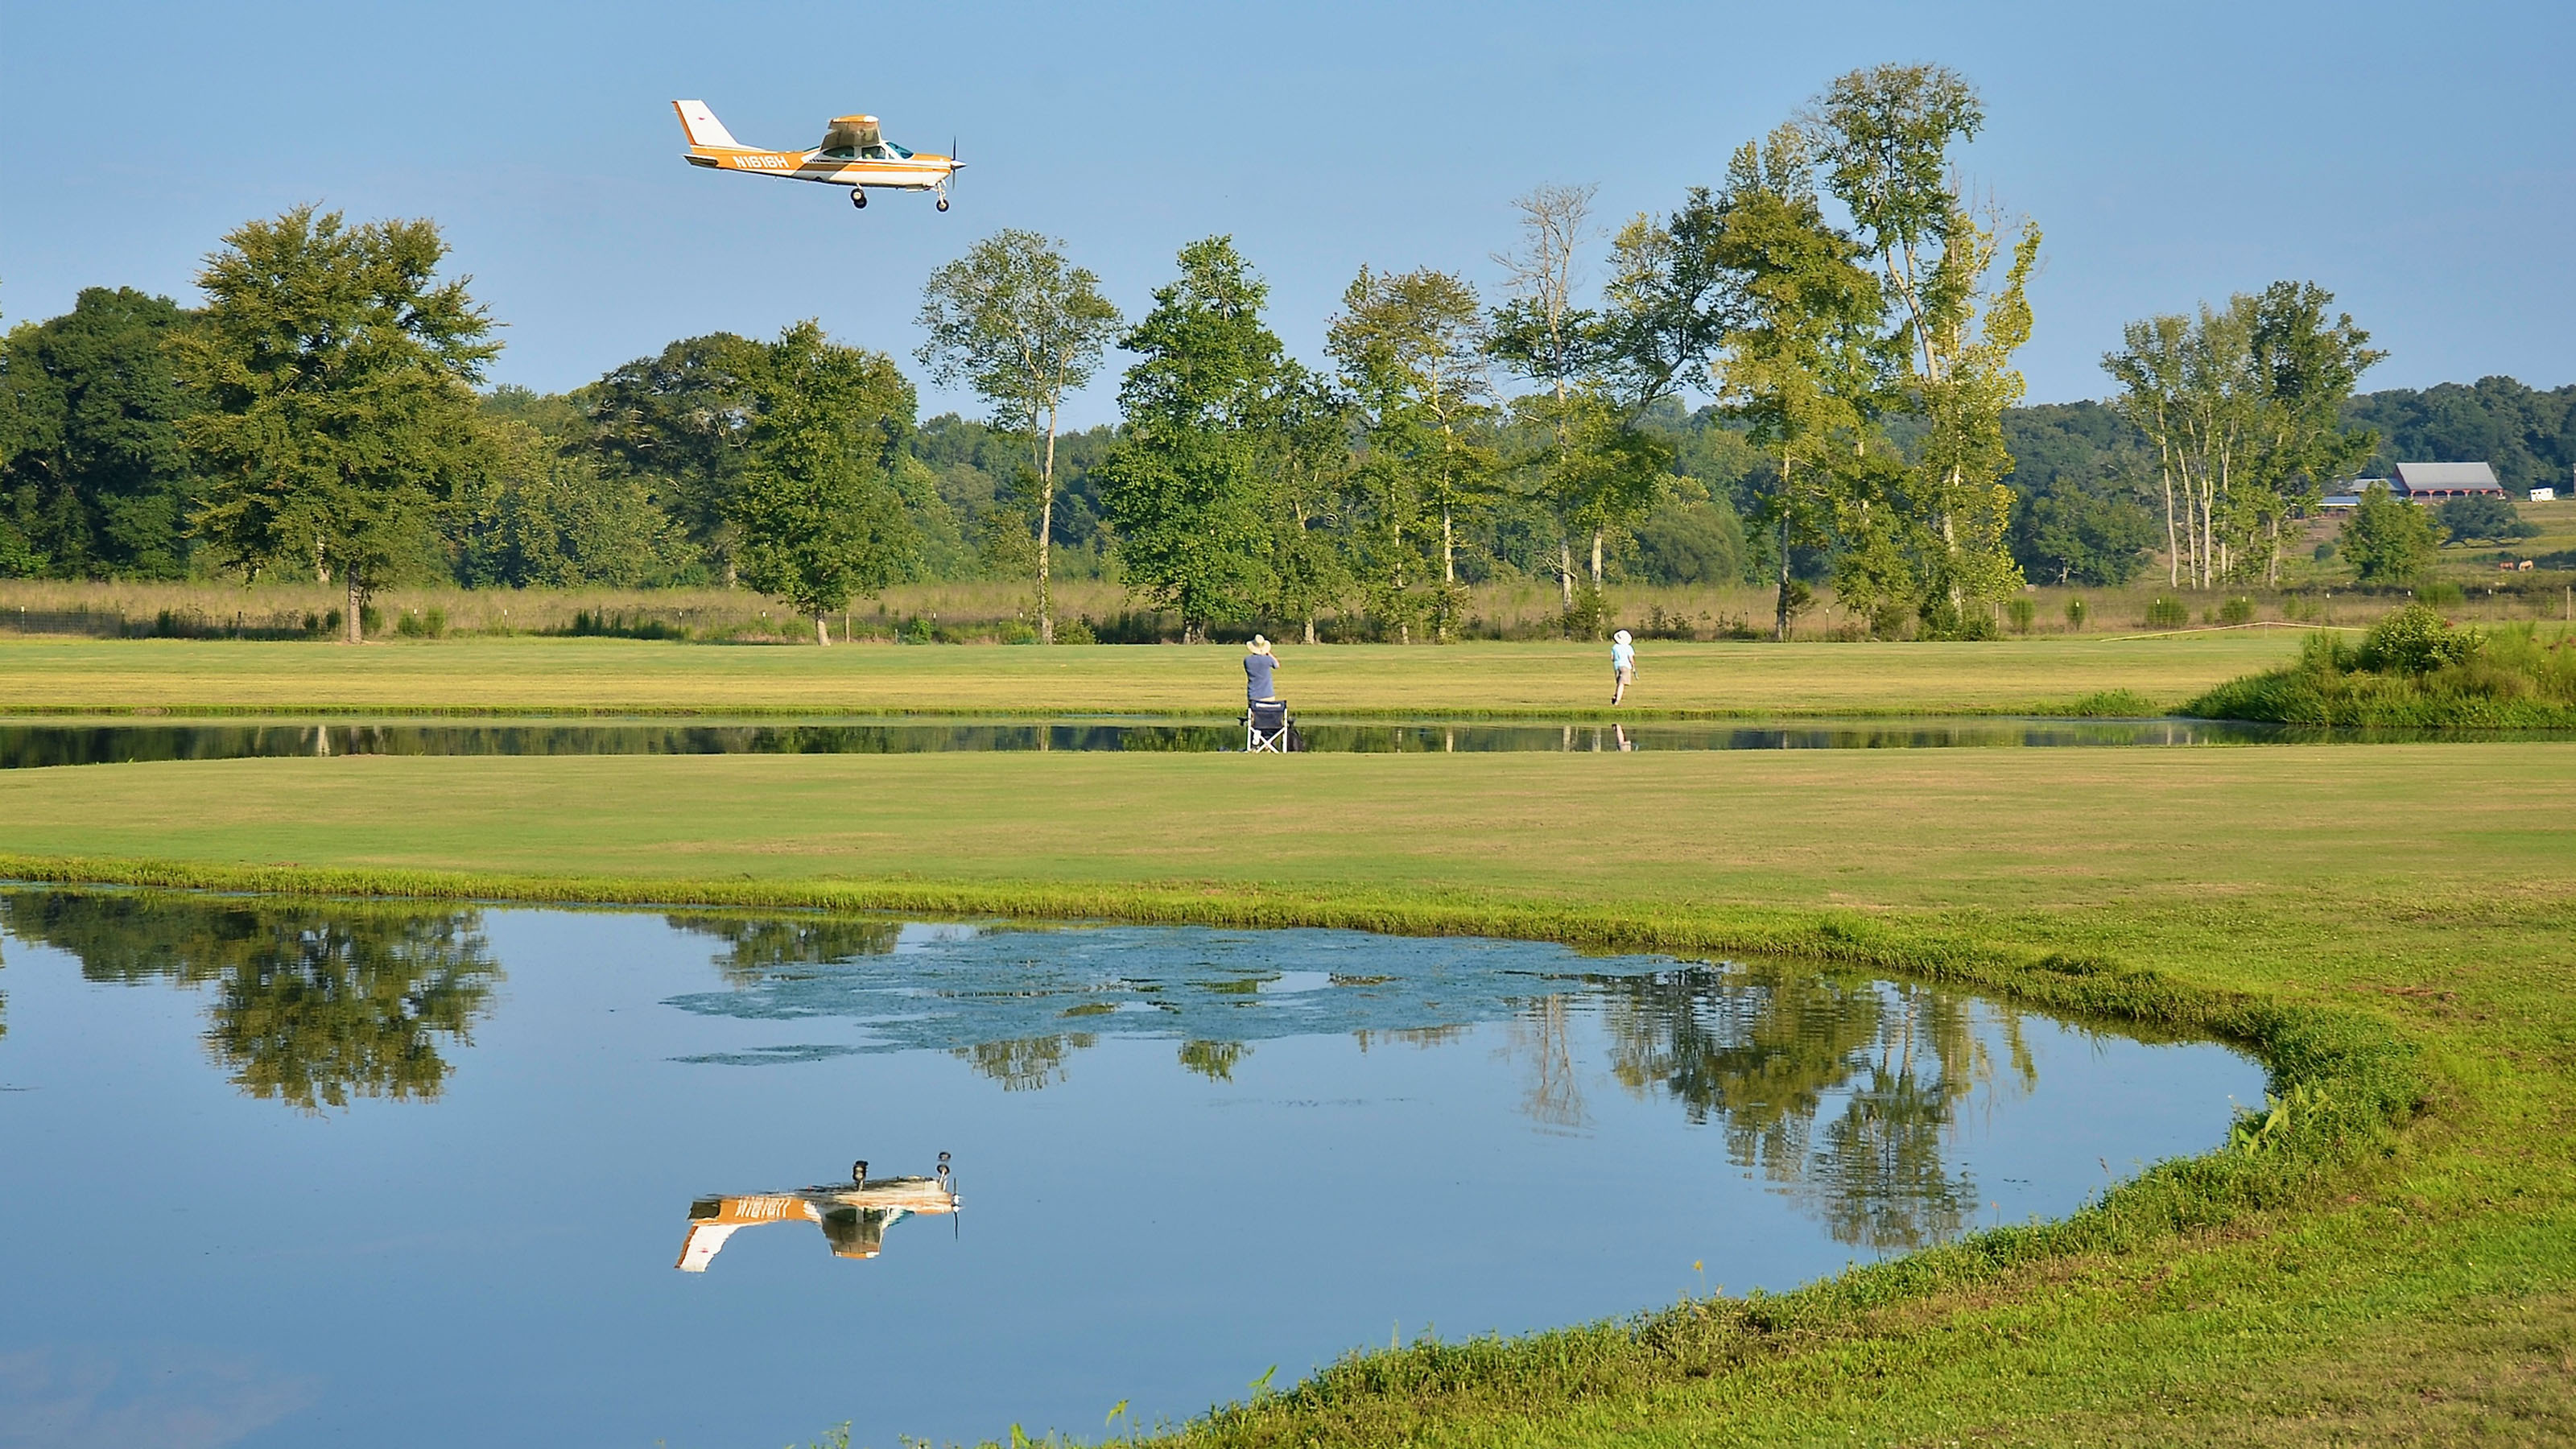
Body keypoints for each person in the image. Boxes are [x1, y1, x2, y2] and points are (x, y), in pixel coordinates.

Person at [1244, 634, 1281, 703]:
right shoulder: (1268, 659)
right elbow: (1277, 665)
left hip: (1253, 695)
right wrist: (1268, 653)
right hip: (1268, 694)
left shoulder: (1247, 660)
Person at [1610, 629, 1636, 705]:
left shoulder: (1615, 647)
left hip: (1617, 666)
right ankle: (1617, 701)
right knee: (1622, 684)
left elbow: (1612, 658)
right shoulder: (1628, 647)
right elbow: (1631, 659)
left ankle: (1616, 695)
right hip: (1626, 666)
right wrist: (1633, 666)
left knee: (1619, 683)